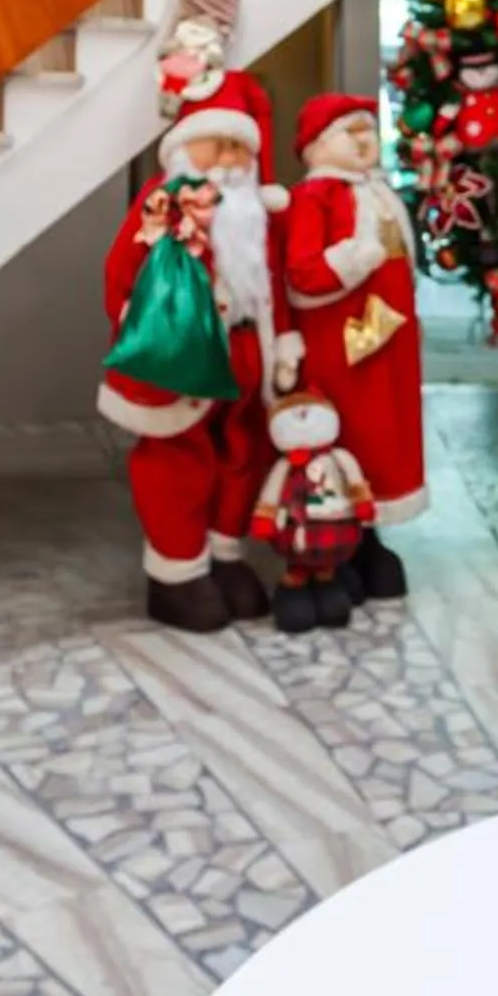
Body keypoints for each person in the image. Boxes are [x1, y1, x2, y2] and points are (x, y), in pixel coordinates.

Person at [98, 86, 298, 632]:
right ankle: (177, 571)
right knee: (178, 459)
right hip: (184, 357)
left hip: (245, 353)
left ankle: (224, 554)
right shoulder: (162, 203)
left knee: (242, 454)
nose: (232, 161)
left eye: (241, 149)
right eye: (219, 146)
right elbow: (121, 274)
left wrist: (284, 344)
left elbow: (271, 282)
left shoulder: (255, 211)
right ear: (186, 148)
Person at [282, 93, 425, 600]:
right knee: (350, 434)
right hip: (340, 342)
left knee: (389, 433)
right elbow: (302, 274)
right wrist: (355, 258)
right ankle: (338, 541)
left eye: (370, 129)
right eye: (352, 132)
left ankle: (372, 531)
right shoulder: (315, 197)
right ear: (318, 145)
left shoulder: (378, 192)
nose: (366, 141)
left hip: (389, 342)